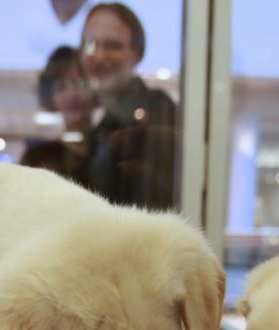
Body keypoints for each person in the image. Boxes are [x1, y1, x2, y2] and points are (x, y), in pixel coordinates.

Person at [80, 2, 177, 209]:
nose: (98, 56)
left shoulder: (158, 109)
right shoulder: (92, 122)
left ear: (136, 52)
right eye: (89, 44)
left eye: (112, 45)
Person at [20, 46, 94, 188]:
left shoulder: (111, 146)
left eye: (80, 83)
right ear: (50, 96)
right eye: (61, 87)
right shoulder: (38, 157)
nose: (72, 94)